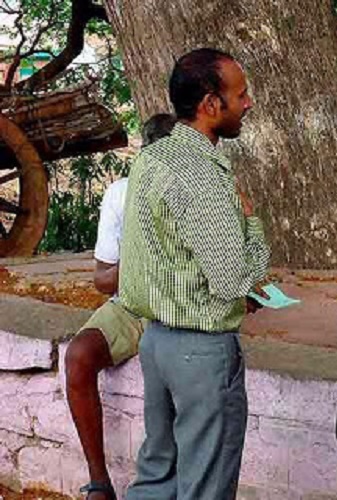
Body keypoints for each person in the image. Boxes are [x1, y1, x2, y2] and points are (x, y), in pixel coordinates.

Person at [120, 48, 270, 500]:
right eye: (240, 95)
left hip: (156, 342)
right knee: (204, 484)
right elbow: (234, 280)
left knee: (156, 474)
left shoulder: (152, 158)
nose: (248, 103)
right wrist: (252, 225)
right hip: (201, 352)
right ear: (210, 104)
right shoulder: (203, 175)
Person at [65, 113, 176, 500]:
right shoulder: (121, 194)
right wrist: (141, 259)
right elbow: (102, 280)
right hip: (129, 305)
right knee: (78, 356)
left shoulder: (199, 194)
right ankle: (99, 482)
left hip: (178, 309)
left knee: (172, 369)